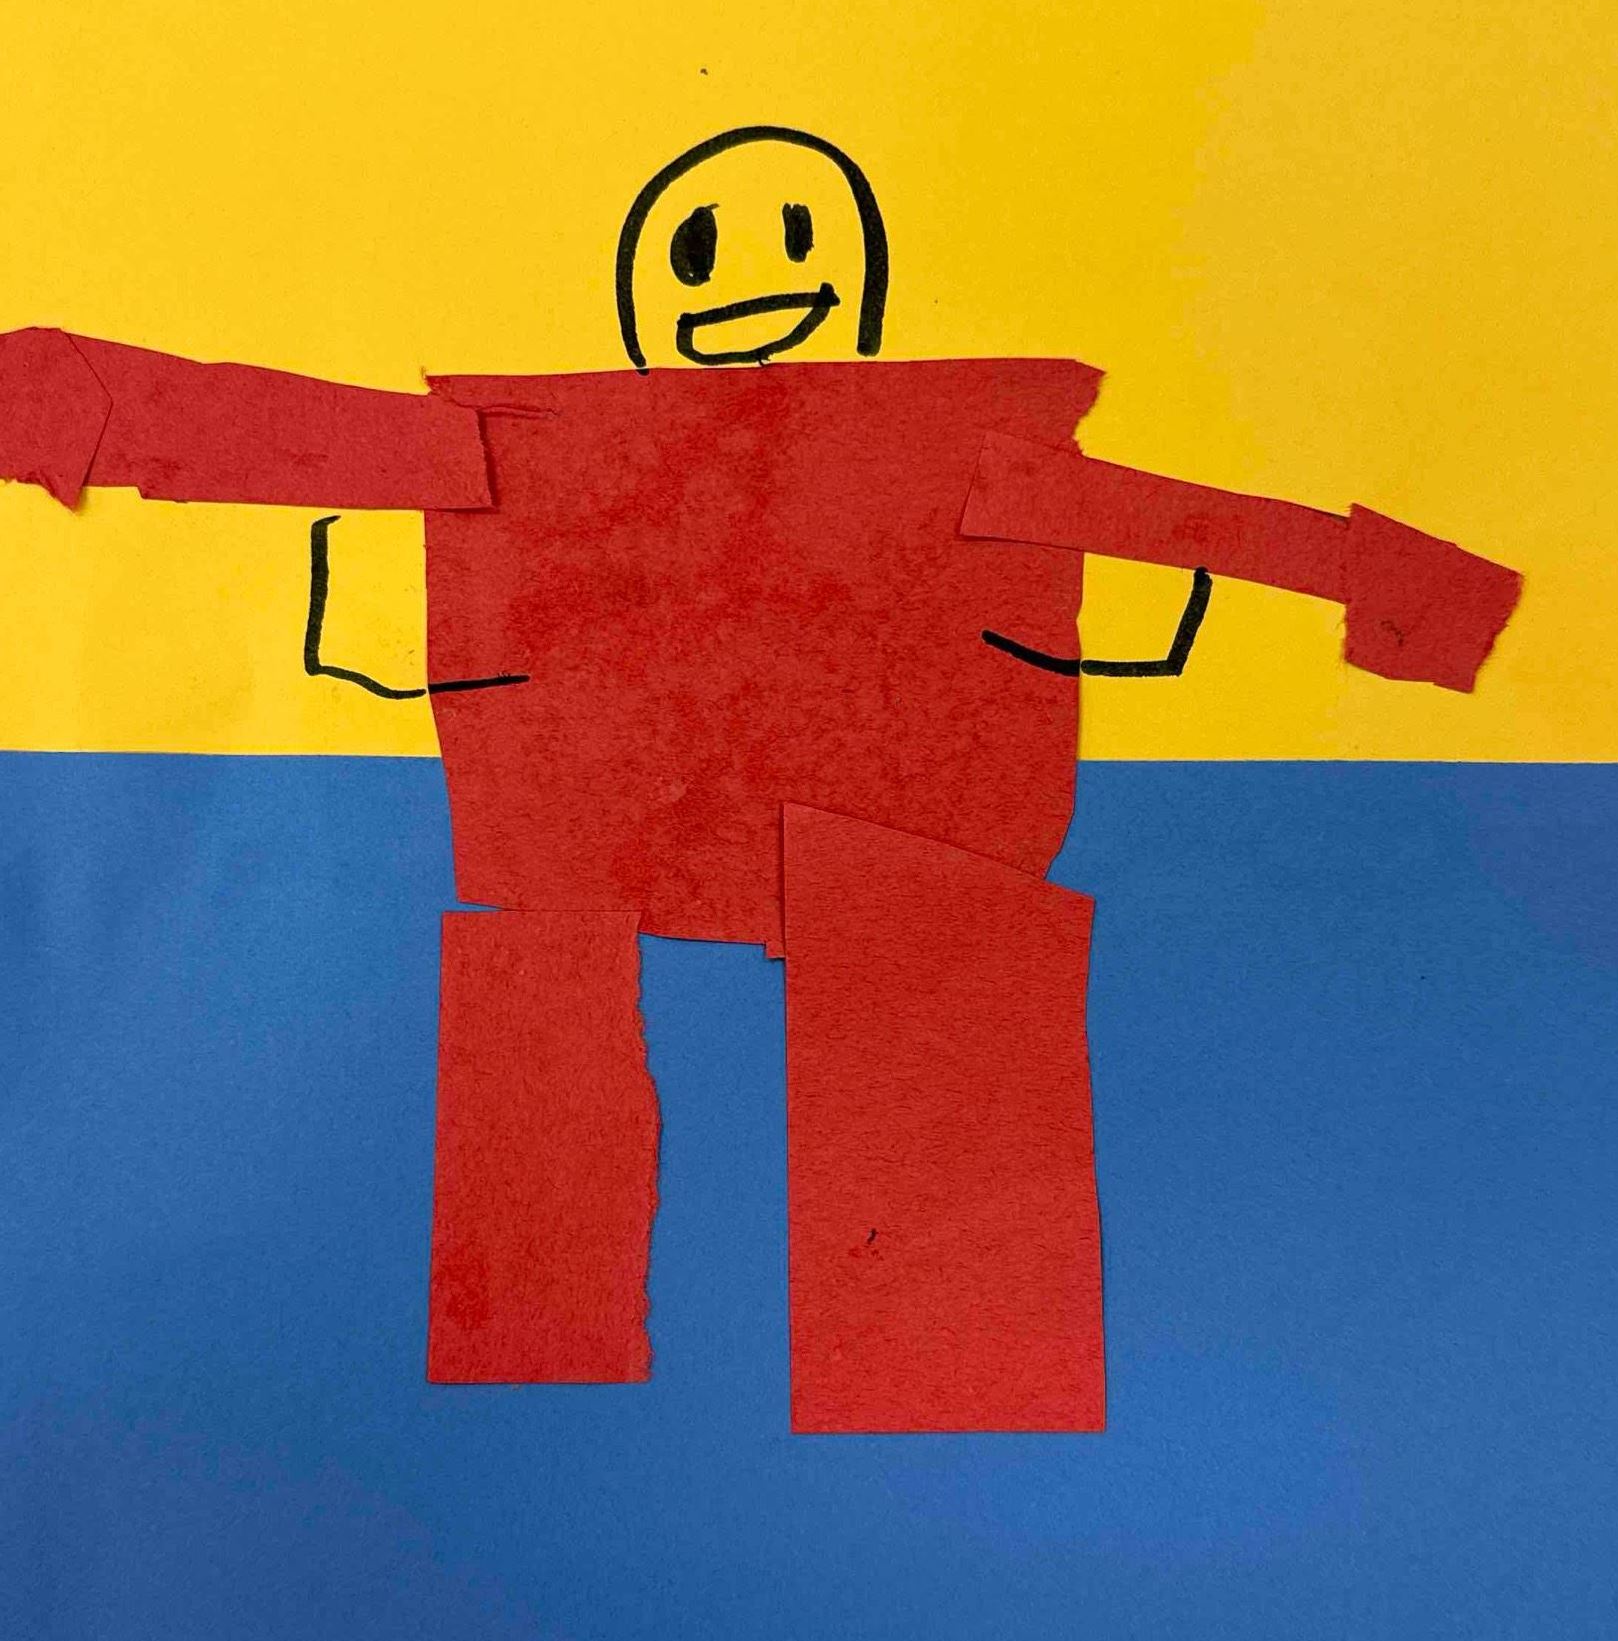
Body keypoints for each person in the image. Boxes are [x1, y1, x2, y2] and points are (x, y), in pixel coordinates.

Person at [0, 126, 1522, 1432]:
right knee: (598, 1126)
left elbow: (1171, 520)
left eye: (789, 242)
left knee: (910, 1202)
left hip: (824, 836)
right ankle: (612, 1379)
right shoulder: (549, 445)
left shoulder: (933, 445)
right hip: (698, 829)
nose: (747, 276)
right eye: (709, 251)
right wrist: (1417, 600)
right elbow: (272, 434)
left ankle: (764, 1390)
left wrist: (1418, 595)